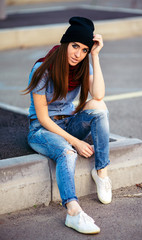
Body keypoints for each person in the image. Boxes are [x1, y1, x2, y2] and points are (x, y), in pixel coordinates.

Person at [24, 16, 112, 235]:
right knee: (68, 152)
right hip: (42, 130)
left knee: (99, 107)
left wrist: (94, 56)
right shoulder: (43, 69)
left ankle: (102, 173)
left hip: (68, 122)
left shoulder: (81, 67)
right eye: (75, 46)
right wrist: (75, 142)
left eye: (83, 50)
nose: (77, 54)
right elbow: (43, 119)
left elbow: (98, 95)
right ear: (66, 43)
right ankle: (73, 211)